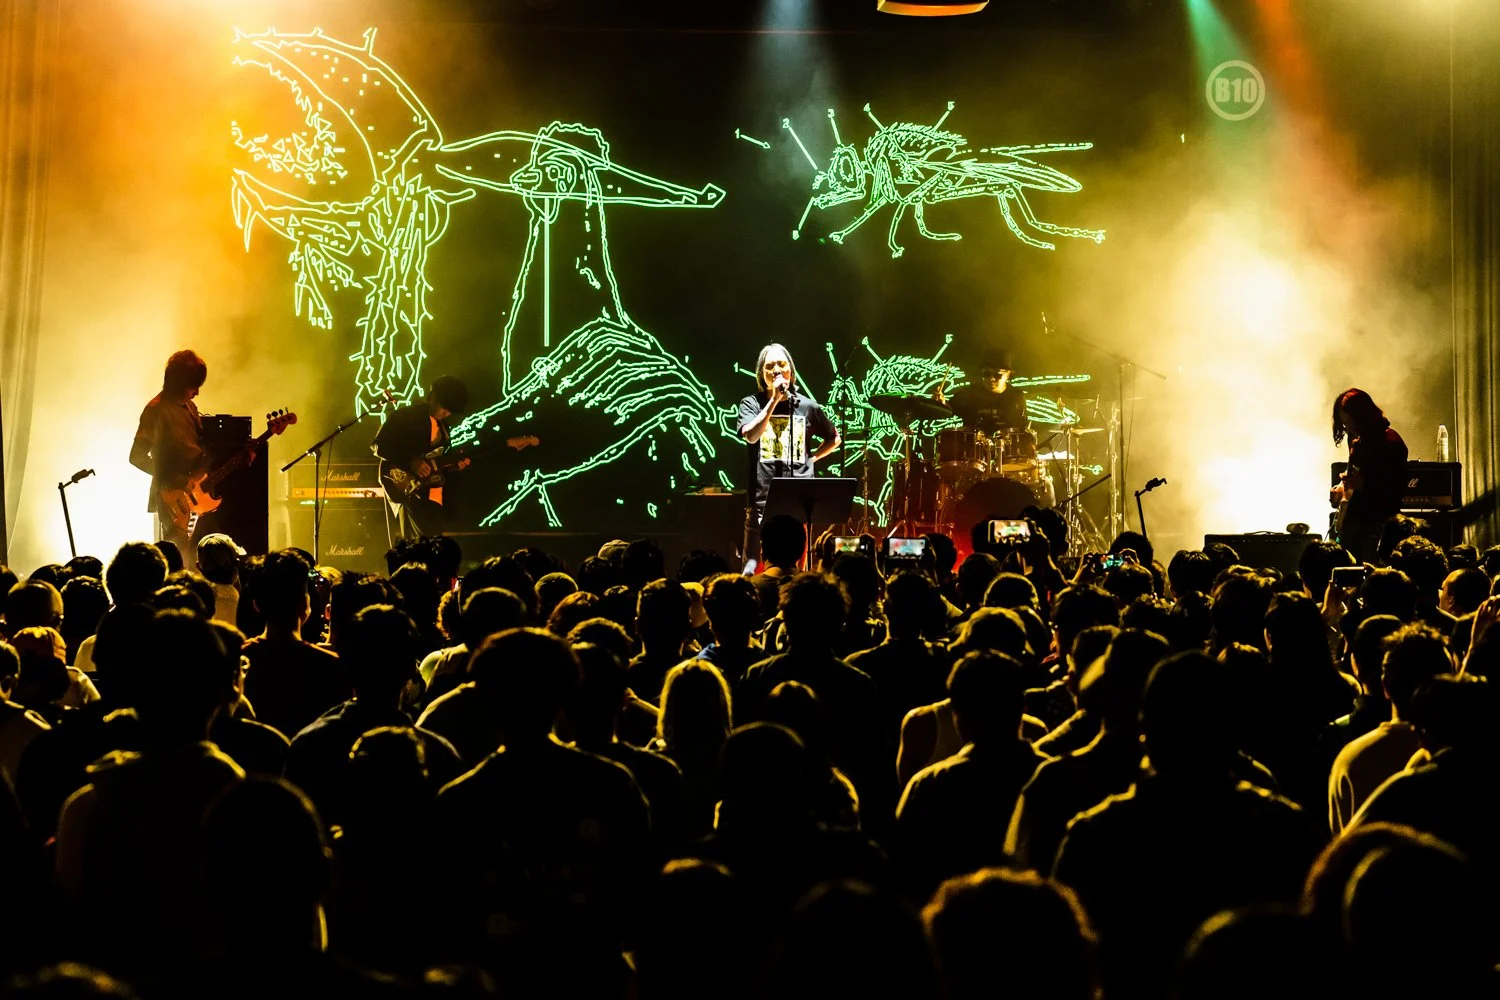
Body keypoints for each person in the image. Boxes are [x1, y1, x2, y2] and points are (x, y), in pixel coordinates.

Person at [737, 344, 840, 564]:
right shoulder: (751, 404)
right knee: (753, 568)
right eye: (769, 366)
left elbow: (834, 438)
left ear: (790, 371)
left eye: (781, 364)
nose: (776, 370)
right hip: (762, 501)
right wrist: (774, 400)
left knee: (796, 569)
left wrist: (812, 458)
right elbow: (751, 436)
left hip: (798, 502)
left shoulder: (808, 406)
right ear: (761, 373)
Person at [129, 350, 214, 552]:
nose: (197, 392)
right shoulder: (156, 411)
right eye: (193, 386)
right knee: (179, 555)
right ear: (179, 383)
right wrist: (174, 478)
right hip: (172, 498)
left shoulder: (190, 407)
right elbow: (136, 457)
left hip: (198, 496)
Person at [371, 374, 470, 538]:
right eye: (444, 407)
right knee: (420, 542)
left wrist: (453, 466)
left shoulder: (444, 428)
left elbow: (435, 461)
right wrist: (410, 461)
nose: (447, 413)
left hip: (432, 492)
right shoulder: (405, 416)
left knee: (432, 541)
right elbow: (379, 445)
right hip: (407, 486)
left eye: (451, 410)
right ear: (432, 397)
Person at [1330, 388, 1409, 564]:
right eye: (1345, 425)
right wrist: (1343, 488)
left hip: (1378, 526)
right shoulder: (1359, 439)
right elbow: (1356, 471)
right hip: (1355, 524)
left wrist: (1364, 484)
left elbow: (1397, 488)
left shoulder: (1391, 442)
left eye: (1351, 423)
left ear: (1362, 417)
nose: (1349, 429)